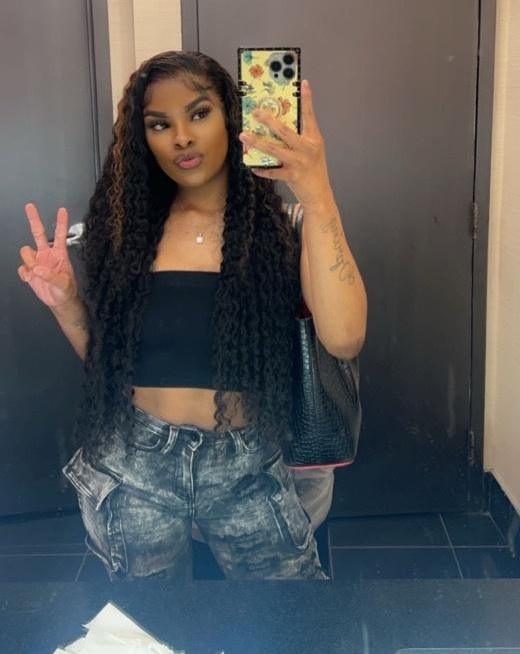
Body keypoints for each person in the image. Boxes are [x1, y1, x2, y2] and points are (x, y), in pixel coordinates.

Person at [17, 50, 367, 580]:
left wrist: (316, 190)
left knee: (285, 617)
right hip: (135, 461)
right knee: (153, 622)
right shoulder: (128, 235)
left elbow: (344, 338)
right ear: (143, 138)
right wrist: (66, 303)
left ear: (230, 117)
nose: (181, 137)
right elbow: (108, 365)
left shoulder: (285, 229)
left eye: (199, 114)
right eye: (160, 124)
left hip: (248, 463)